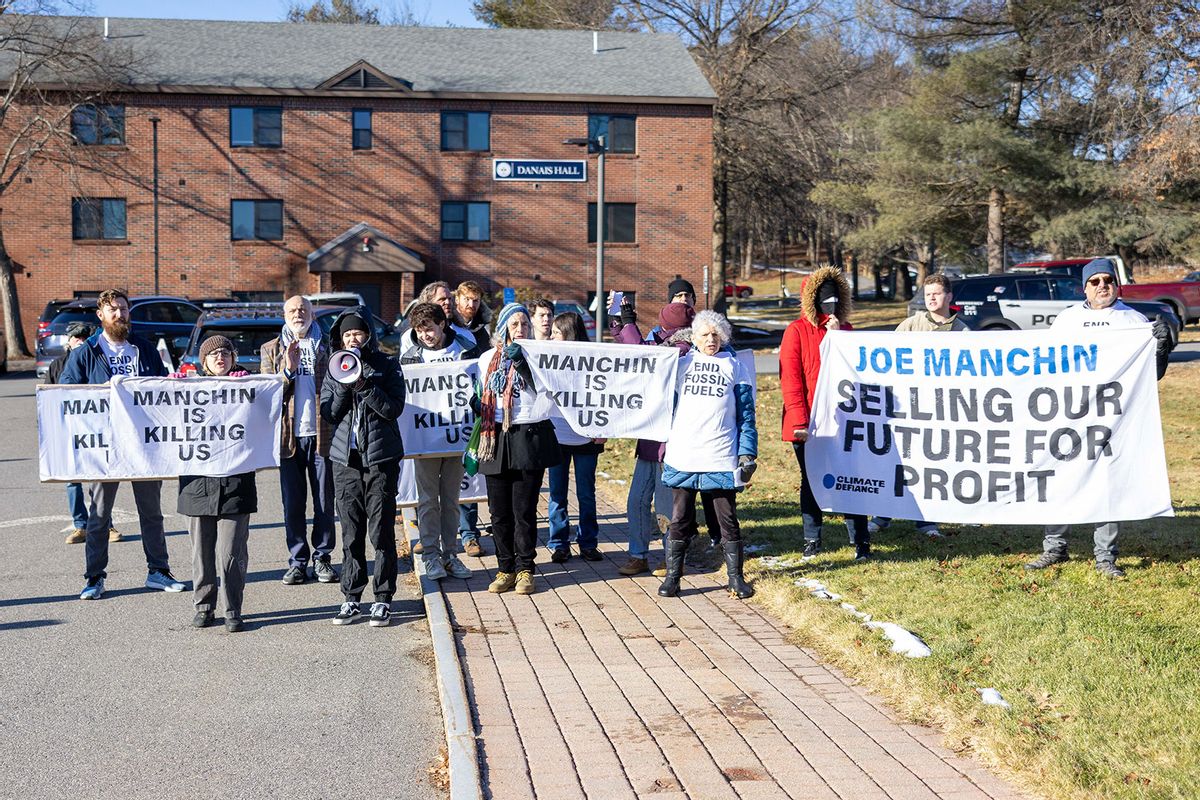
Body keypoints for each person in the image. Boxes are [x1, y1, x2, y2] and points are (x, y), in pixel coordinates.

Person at [1024, 259, 1172, 579]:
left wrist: (1161, 348)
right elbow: (1047, 365)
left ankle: (1105, 556)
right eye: (1095, 281)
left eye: (1108, 280)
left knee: (1107, 484)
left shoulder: (1132, 320)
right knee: (1061, 478)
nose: (1102, 285)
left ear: (1117, 285)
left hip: (1112, 418)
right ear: (1085, 287)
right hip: (1069, 413)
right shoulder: (1067, 320)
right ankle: (1055, 547)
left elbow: (1150, 375)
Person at [61, 289, 185, 600]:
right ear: (100, 315)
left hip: (143, 445)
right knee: (99, 514)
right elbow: (65, 393)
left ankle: (158, 571)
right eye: (113, 309)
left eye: (124, 309)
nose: (120, 314)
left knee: (151, 512)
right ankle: (94, 577)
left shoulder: (144, 349)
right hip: (104, 446)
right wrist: (100, 393)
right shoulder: (86, 353)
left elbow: (161, 394)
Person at [658, 310, 758, 599]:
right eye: (705, 334)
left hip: (721, 455)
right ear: (694, 338)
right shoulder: (681, 366)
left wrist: (747, 452)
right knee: (679, 519)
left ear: (724, 337)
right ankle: (672, 578)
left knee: (727, 519)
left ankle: (736, 579)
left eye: (716, 334)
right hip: (685, 455)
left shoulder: (736, 367)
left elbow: (746, 416)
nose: (711, 339)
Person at [320, 307, 407, 626]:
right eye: (347, 335)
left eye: (357, 333)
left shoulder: (386, 364)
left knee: (381, 531)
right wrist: (345, 382)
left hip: (380, 460)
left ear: (368, 335)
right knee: (351, 532)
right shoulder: (334, 368)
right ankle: (351, 596)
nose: (353, 339)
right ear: (340, 340)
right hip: (346, 462)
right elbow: (329, 413)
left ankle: (383, 597)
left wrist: (364, 385)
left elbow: (393, 409)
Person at [779, 267, 871, 561]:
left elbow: (856, 373)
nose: (829, 305)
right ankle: (812, 538)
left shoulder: (846, 331)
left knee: (851, 478)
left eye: (835, 299)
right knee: (812, 479)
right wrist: (799, 422)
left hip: (843, 421)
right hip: (809, 423)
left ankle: (860, 540)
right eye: (824, 299)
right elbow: (791, 380)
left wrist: (837, 337)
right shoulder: (797, 331)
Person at [869, 273, 967, 539]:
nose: (931, 299)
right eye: (927, 294)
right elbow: (887, 360)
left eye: (936, 293)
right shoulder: (911, 325)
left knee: (931, 465)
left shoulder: (962, 330)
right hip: (908, 409)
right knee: (898, 462)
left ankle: (926, 521)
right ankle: (882, 515)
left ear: (949, 296)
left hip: (941, 409)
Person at [475, 303, 561, 596]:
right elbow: (481, 391)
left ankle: (526, 568)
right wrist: (478, 405)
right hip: (495, 436)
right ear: (502, 329)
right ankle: (505, 568)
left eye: (524, 323)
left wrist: (524, 365)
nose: (520, 329)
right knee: (498, 512)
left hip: (528, 433)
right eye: (514, 325)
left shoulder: (539, 355)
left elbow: (547, 392)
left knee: (523, 509)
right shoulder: (487, 358)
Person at [175, 335, 256, 632]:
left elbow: (274, 403)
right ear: (203, 361)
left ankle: (233, 609)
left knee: (232, 553)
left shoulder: (249, 386)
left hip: (236, 484)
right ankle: (204, 607)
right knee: (202, 553)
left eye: (226, 352)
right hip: (197, 485)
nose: (220, 357)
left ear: (234, 358)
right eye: (213, 354)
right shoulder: (187, 389)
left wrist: (249, 383)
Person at [400, 301, 485, 580]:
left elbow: (478, 387)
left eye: (430, 329)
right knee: (427, 500)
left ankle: (451, 555)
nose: (425, 335)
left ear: (442, 325)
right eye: (420, 331)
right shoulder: (411, 358)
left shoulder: (465, 350)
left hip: (456, 439)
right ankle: (431, 556)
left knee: (451, 499)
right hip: (425, 441)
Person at [612, 300, 695, 576]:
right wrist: (621, 325)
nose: (658, 329)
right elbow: (636, 353)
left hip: (670, 443)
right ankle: (638, 554)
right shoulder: (662, 342)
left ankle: (672, 556)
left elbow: (646, 356)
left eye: (663, 324)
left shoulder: (683, 351)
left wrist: (628, 325)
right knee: (636, 501)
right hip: (649, 440)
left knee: (664, 505)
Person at [260, 295, 338, 585]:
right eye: (292, 310)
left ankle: (323, 557)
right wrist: (288, 370)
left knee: (323, 502)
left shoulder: (329, 346)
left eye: (303, 309)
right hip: (288, 439)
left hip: (322, 436)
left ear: (312, 314)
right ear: (284, 315)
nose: (298, 314)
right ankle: (297, 561)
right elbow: (267, 394)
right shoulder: (271, 349)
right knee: (292, 503)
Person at [47, 321, 121, 545]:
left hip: (96, 431)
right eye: (75, 337)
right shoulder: (57, 365)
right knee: (72, 481)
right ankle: (80, 525)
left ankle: (106, 525)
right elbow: (48, 400)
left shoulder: (96, 360)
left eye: (83, 337)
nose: (79, 340)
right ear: (68, 341)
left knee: (98, 479)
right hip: (68, 431)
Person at [545, 312, 605, 564]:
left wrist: (604, 430)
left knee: (586, 494)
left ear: (568, 333)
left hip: (586, 439)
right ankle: (559, 543)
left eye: (556, 333)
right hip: (557, 437)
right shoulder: (547, 359)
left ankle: (588, 543)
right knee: (557, 494)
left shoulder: (591, 358)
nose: (551, 337)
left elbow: (605, 394)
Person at [453, 280, 492, 556]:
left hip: (474, 407)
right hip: (446, 409)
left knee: (470, 468)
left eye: (476, 300)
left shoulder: (482, 331)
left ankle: (469, 533)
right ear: (457, 300)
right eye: (467, 299)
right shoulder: (447, 327)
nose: (471, 305)